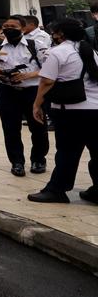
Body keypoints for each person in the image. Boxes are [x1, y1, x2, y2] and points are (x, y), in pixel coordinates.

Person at [27, 19, 98, 204]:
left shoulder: (57, 52)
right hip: (95, 109)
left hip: (70, 111)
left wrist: (36, 105)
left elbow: (47, 81)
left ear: (60, 34)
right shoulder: (90, 50)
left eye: (54, 32)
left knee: (67, 152)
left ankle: (56, 190)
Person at [0, 15, 49, 176]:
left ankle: (39, 159)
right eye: (6, 26)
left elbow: (50, 68)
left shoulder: (36, 45)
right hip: (7, 91)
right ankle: (17, 162)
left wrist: (28, 75)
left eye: (13, 26)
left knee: (38, 127)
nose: (8, 29)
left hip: (32, 91)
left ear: (23, 28)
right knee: (11, 129)